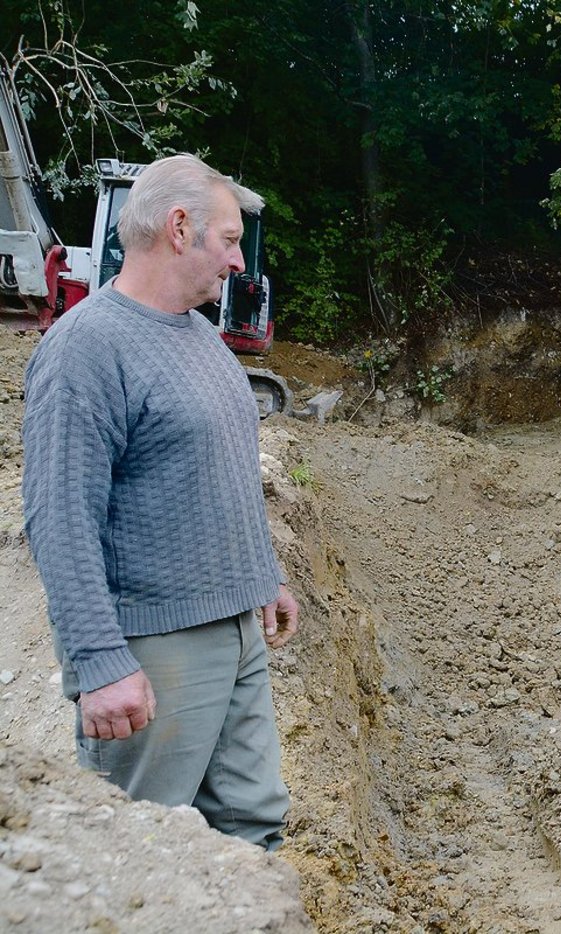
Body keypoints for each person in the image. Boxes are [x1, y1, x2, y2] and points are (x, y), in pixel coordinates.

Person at [21, 154, 299, 849]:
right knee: (141, 844)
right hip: (156, 644)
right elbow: (59, 518)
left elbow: (221, 470)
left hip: (236, 630)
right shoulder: (87, 348)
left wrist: (262, 573)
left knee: (252, 825)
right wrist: (99, 661)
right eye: (230, 240)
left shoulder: (200, 337)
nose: (239, 262)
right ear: (180, 228)